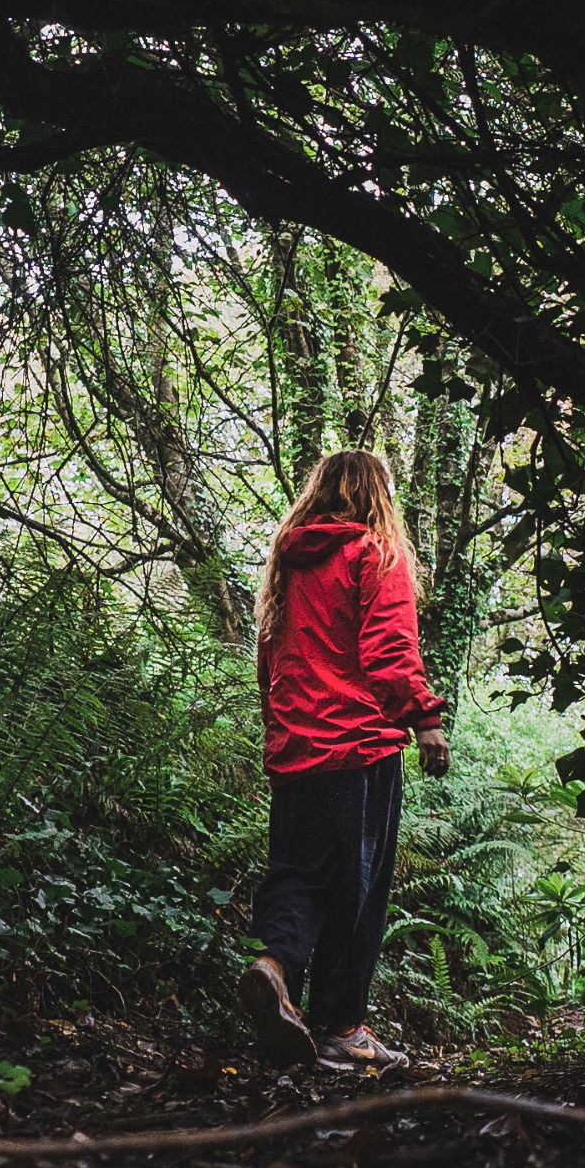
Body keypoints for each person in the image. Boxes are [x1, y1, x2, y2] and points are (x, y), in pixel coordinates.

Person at [239, 447, 452, 1075]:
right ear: (375, 495)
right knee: (356, 890)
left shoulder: (289, 564)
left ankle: (274, 967)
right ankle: (341, 1027)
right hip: (359, 746)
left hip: (298, 750)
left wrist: (283, 732)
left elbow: (268, 662)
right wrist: (427, 719)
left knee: (298, 874)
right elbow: (389, 650)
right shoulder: (375, 553)